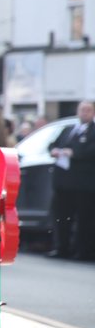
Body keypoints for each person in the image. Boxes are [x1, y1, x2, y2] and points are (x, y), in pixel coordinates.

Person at [48, 101, 95, 260]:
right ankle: (61, 247)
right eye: (82, 110)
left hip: (84, 184)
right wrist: (55, 150)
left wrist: (73, 153)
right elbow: (53, 144)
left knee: (84, 220)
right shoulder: (68, 130)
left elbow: (89, 152)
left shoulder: (93, 132)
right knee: (61, 216)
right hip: (63, 182)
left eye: (88, 110)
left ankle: (82, 251)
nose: (85, 113)